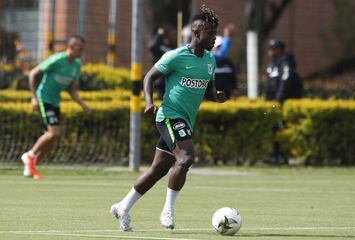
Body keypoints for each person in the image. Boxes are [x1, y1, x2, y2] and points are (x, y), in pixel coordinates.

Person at [110, 5, 226, 232]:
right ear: (196, 33)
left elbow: (208, 90)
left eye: (215, 33)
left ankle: (123, 206)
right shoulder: (176, 56)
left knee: (159, 169)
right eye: (210, 33)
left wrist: (216, 96)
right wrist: (148, 102)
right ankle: (167, 211)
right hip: (169, 116)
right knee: (186, 158)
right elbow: (149, 77)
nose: (214, 38)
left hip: (187, 120)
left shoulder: (211, 61)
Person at [21, 35, 90, 180]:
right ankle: (30, 155)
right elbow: (33, 74)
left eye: (83, 49)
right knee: (53, 133)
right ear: (71, 47)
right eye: (80, 48)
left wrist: (82, 104)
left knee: (52, 139)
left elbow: (71, 89)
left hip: (55, 101)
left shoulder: (76, 65)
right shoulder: (57, 59)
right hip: (44, 98)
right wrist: (33, 97)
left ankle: (31, 166)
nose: (82, 51)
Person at [264, 39, 303, 164]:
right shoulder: (272, 64)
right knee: (272, 127)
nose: (269, 51)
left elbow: (285, 83)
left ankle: (282, 155)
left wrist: (278, 100)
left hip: (282, 103)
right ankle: (274, 154)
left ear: (279, 50)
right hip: (272, 103)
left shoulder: (286, 63)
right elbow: (269, 84)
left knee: (281, 126)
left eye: (272, 48)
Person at [148, 24, 177, 99]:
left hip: (170, 80)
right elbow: (151, 46)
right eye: (171, 33)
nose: (173, 35)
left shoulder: (173, 46)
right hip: (159, 80)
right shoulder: (159, 45)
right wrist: (159, 34)